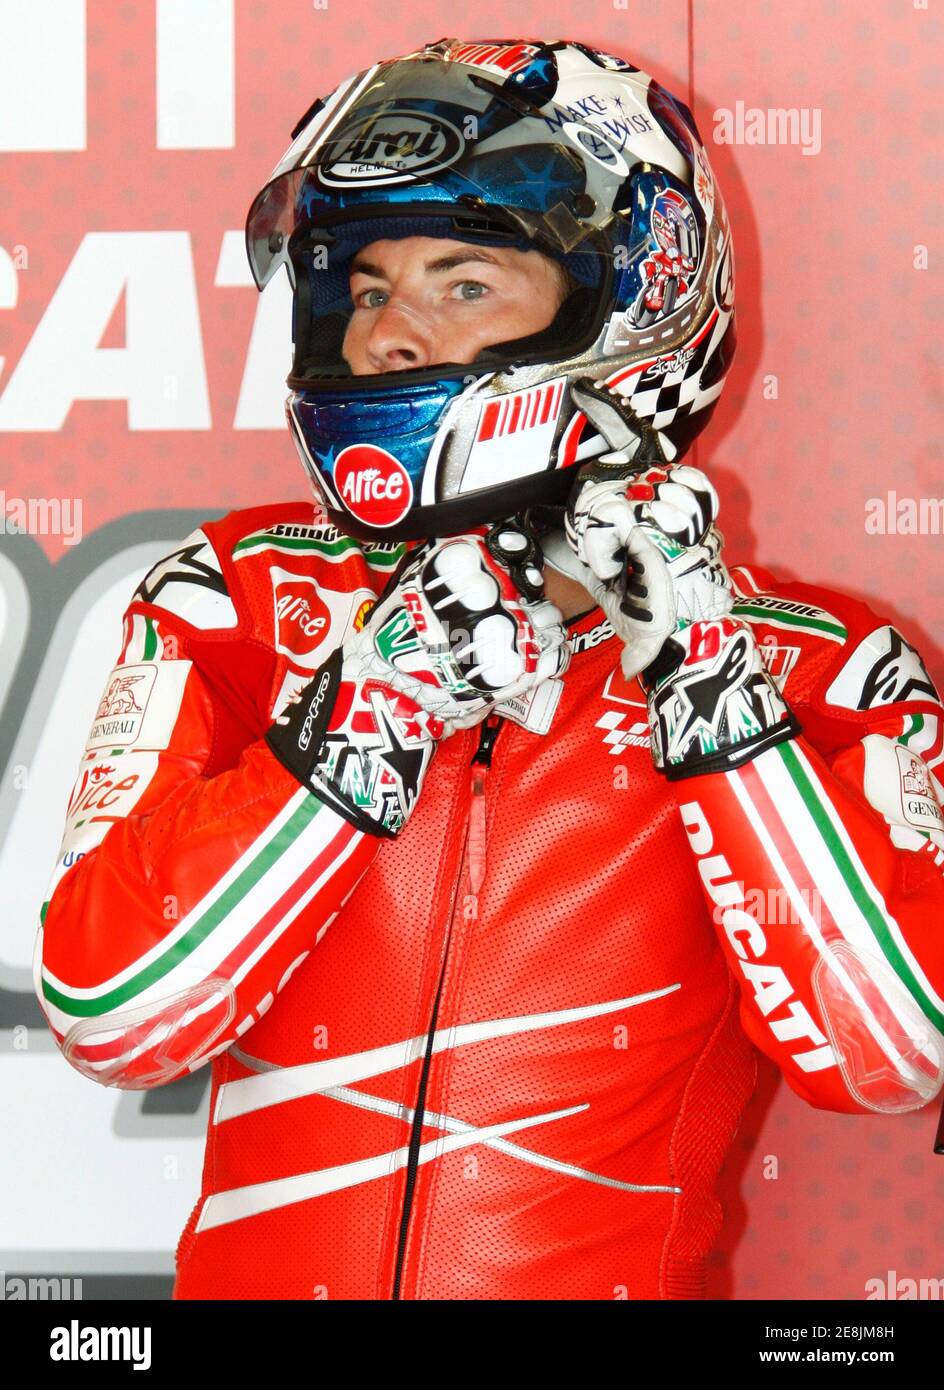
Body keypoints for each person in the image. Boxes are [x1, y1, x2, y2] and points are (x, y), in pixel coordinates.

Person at [34, 37, 944, 1301]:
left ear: (630, 298)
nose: (388, 334)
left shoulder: (829, 668)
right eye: (362, 287)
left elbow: (885, 1055)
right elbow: (113, 1015)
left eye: (461, 283)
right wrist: (364, 709)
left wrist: (711, 692)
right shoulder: (237, 594)